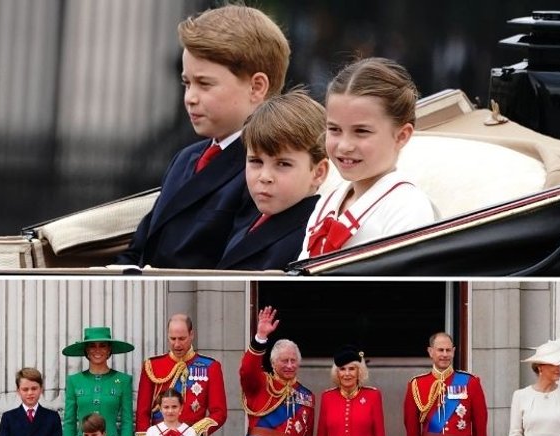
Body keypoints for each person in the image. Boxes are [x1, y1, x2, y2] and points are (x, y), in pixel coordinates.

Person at [114, 5, 288, 268]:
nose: (190, 98)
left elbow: (234, 268)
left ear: (256, 87)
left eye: (205, 84)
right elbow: (140, 248)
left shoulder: (266, 170)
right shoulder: (186, 159)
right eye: (187, 83)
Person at [298, 57, 438, 260]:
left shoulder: (408, 209)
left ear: (401, 135)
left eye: (361, 131)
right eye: (334, 129)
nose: (344, 146)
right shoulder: (327, 202)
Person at [217, 90, 328, 270]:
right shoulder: (250, 213)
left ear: (318, 172)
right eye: (255, 161)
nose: (265, 177)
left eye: (283, 164)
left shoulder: (310, 236)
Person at [135, 313, 226, 436]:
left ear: (192, 335)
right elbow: (142, 413)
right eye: (172, 339)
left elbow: (219, 412)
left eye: (182, 338)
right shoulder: (152, 366)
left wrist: (192, 432)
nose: (177, 344)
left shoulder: (210, 367)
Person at [239, 307, 315, 436]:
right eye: (284, 361)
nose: (289, 365)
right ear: (273, 363)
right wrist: (260, 337)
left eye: (293, 361)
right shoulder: (260, 384)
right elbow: (247, 369)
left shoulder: (307, 396)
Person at [403, 332, 488, 436]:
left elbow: (480, 425)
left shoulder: (471, 382)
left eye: (448, 350)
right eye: (440, 350)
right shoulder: (417, 384)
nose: (444, 354)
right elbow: (411, 429)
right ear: (430, 352)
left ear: (453, 352)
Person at [62, 327, 136, 436]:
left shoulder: (123, 380)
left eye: (102, 345)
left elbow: (127, 421)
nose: (97, 350)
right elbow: (69, 421)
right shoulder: (74, 381)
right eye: (92, 346)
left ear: (109, 350)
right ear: (86, 351)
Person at [313, 345, 388, 436]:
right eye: (342, 369)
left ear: (359, 371)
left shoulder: (373, 396)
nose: (347, 374)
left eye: (352, 369)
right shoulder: (327, 397)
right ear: (337, 373)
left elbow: (379, 435)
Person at [0, 367, 63, 436]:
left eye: (34, 388)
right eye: (25, 389)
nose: (30, 393)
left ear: (41, 389)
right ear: (18, 391)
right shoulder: (8, 418)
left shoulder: (52, 417)